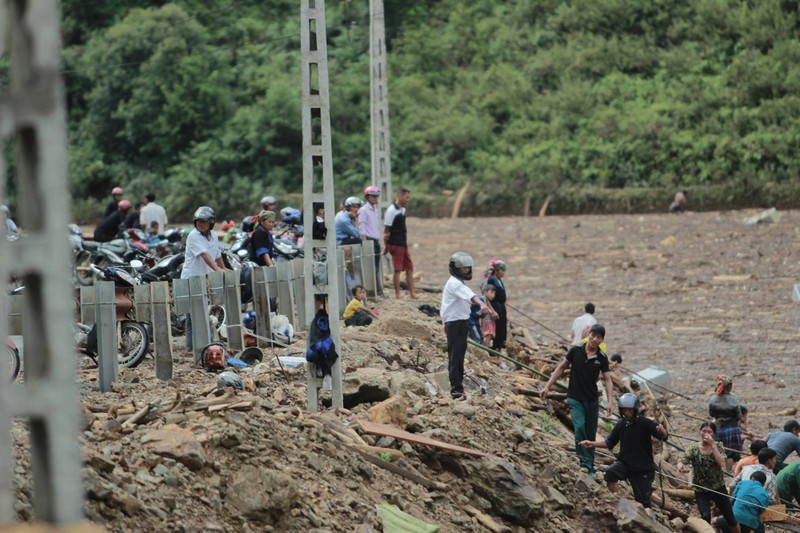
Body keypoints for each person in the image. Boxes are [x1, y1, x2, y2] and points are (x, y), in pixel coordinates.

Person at [541, 324, 614, 477]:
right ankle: (584, 462)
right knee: (579, 427)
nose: (594, 339)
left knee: (590, 432)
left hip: (592, 400)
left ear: (602, 340)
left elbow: (607, 379)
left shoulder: (601, 358)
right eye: (593, 335)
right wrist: (547, 386)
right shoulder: (576, 351)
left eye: (598, 337)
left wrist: (610, 402)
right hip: (574, 398)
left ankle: (590, 464)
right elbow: (561, 368)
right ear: (589, 335)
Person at [579, 393, 668, 508]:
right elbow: (609, 442)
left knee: (643, 503)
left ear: (635, 409)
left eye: (629, 410)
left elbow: (663, 436)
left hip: (642, 469)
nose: (626, 413)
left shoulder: (645, 423)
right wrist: (592, 444)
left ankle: (646, 520)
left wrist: (662, 431)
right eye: (624, 410)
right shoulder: (621, 424)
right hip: (625, 464)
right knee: (610, 474)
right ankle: (619, 504)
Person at [440, 252, 496, 400]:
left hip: (458, 322)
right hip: (456, 324)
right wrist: (482, 303)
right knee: (456, 357)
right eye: (462, 268)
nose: (466, 270)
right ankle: (457, 390)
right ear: (455, 268)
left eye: (467, 268)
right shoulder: (454, 283)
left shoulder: (457, 282)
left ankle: (458, 388)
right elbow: (470, 295)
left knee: (458, 356)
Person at [678, 422, 739, 532]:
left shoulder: (718, 446)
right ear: (700, 432)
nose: (706, 434)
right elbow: (684, 459)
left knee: (730, 518)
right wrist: (681, 464)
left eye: (709, 432)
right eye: (704, 431)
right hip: (701, 489)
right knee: (705, 516)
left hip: (718, 487)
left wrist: (713, 445)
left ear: (714, 434)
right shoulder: (693, 448)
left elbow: (721, 463)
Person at [181, 206, 227, 354]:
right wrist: (217, 270)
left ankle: (201, 345)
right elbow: (205, 255)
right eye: (198, 221)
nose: (201, 224)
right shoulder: (194, 236)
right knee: (192, 315)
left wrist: (223, 268)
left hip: (204, 279)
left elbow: (217, 253)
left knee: (202, 313)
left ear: (211, 223)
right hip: (192, 279)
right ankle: (191, 348)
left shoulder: (213, 235)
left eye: (204, 221)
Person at [384, 187, 417, 299]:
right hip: (395, 243)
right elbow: (386, 231)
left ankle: (412, 293)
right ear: (399, 196)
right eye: (406, 197)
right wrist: (386, 247)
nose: (408, 199)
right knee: (397, 269)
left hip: (403, 243)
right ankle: (398, 294)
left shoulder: (403, 210)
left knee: (409, 267)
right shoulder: (391, 211)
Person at [709, 374, 746, 471]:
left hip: (718, 428)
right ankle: (728, 472)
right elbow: (739, 415)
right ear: (729, 386)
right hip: (732, 429)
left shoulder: (713, 399)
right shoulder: (733, 399)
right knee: (730, 454)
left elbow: (711, 413)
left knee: (718, 450)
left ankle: (719, 472)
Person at [484, 258, 508, 350]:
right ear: (497, 271)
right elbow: (488, 297)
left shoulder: (499, 280)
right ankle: (495, 349)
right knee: (496, 328)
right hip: (495, 306)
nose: (504, 273)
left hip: (501, 306)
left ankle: (500, 347)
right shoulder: (492, 280)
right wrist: (493, 311)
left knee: (502, 328)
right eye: (503, 271)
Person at [358, 185, 382, 274]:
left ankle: (376, 287)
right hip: (368, 240)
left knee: (376, 266)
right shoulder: (364, 210)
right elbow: (361, 226)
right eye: (373, 196)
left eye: (377, 196)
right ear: (368, 197)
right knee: (370, 267)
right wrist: (365, 243)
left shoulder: (375, 210)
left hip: (376, 241)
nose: (376, 198)